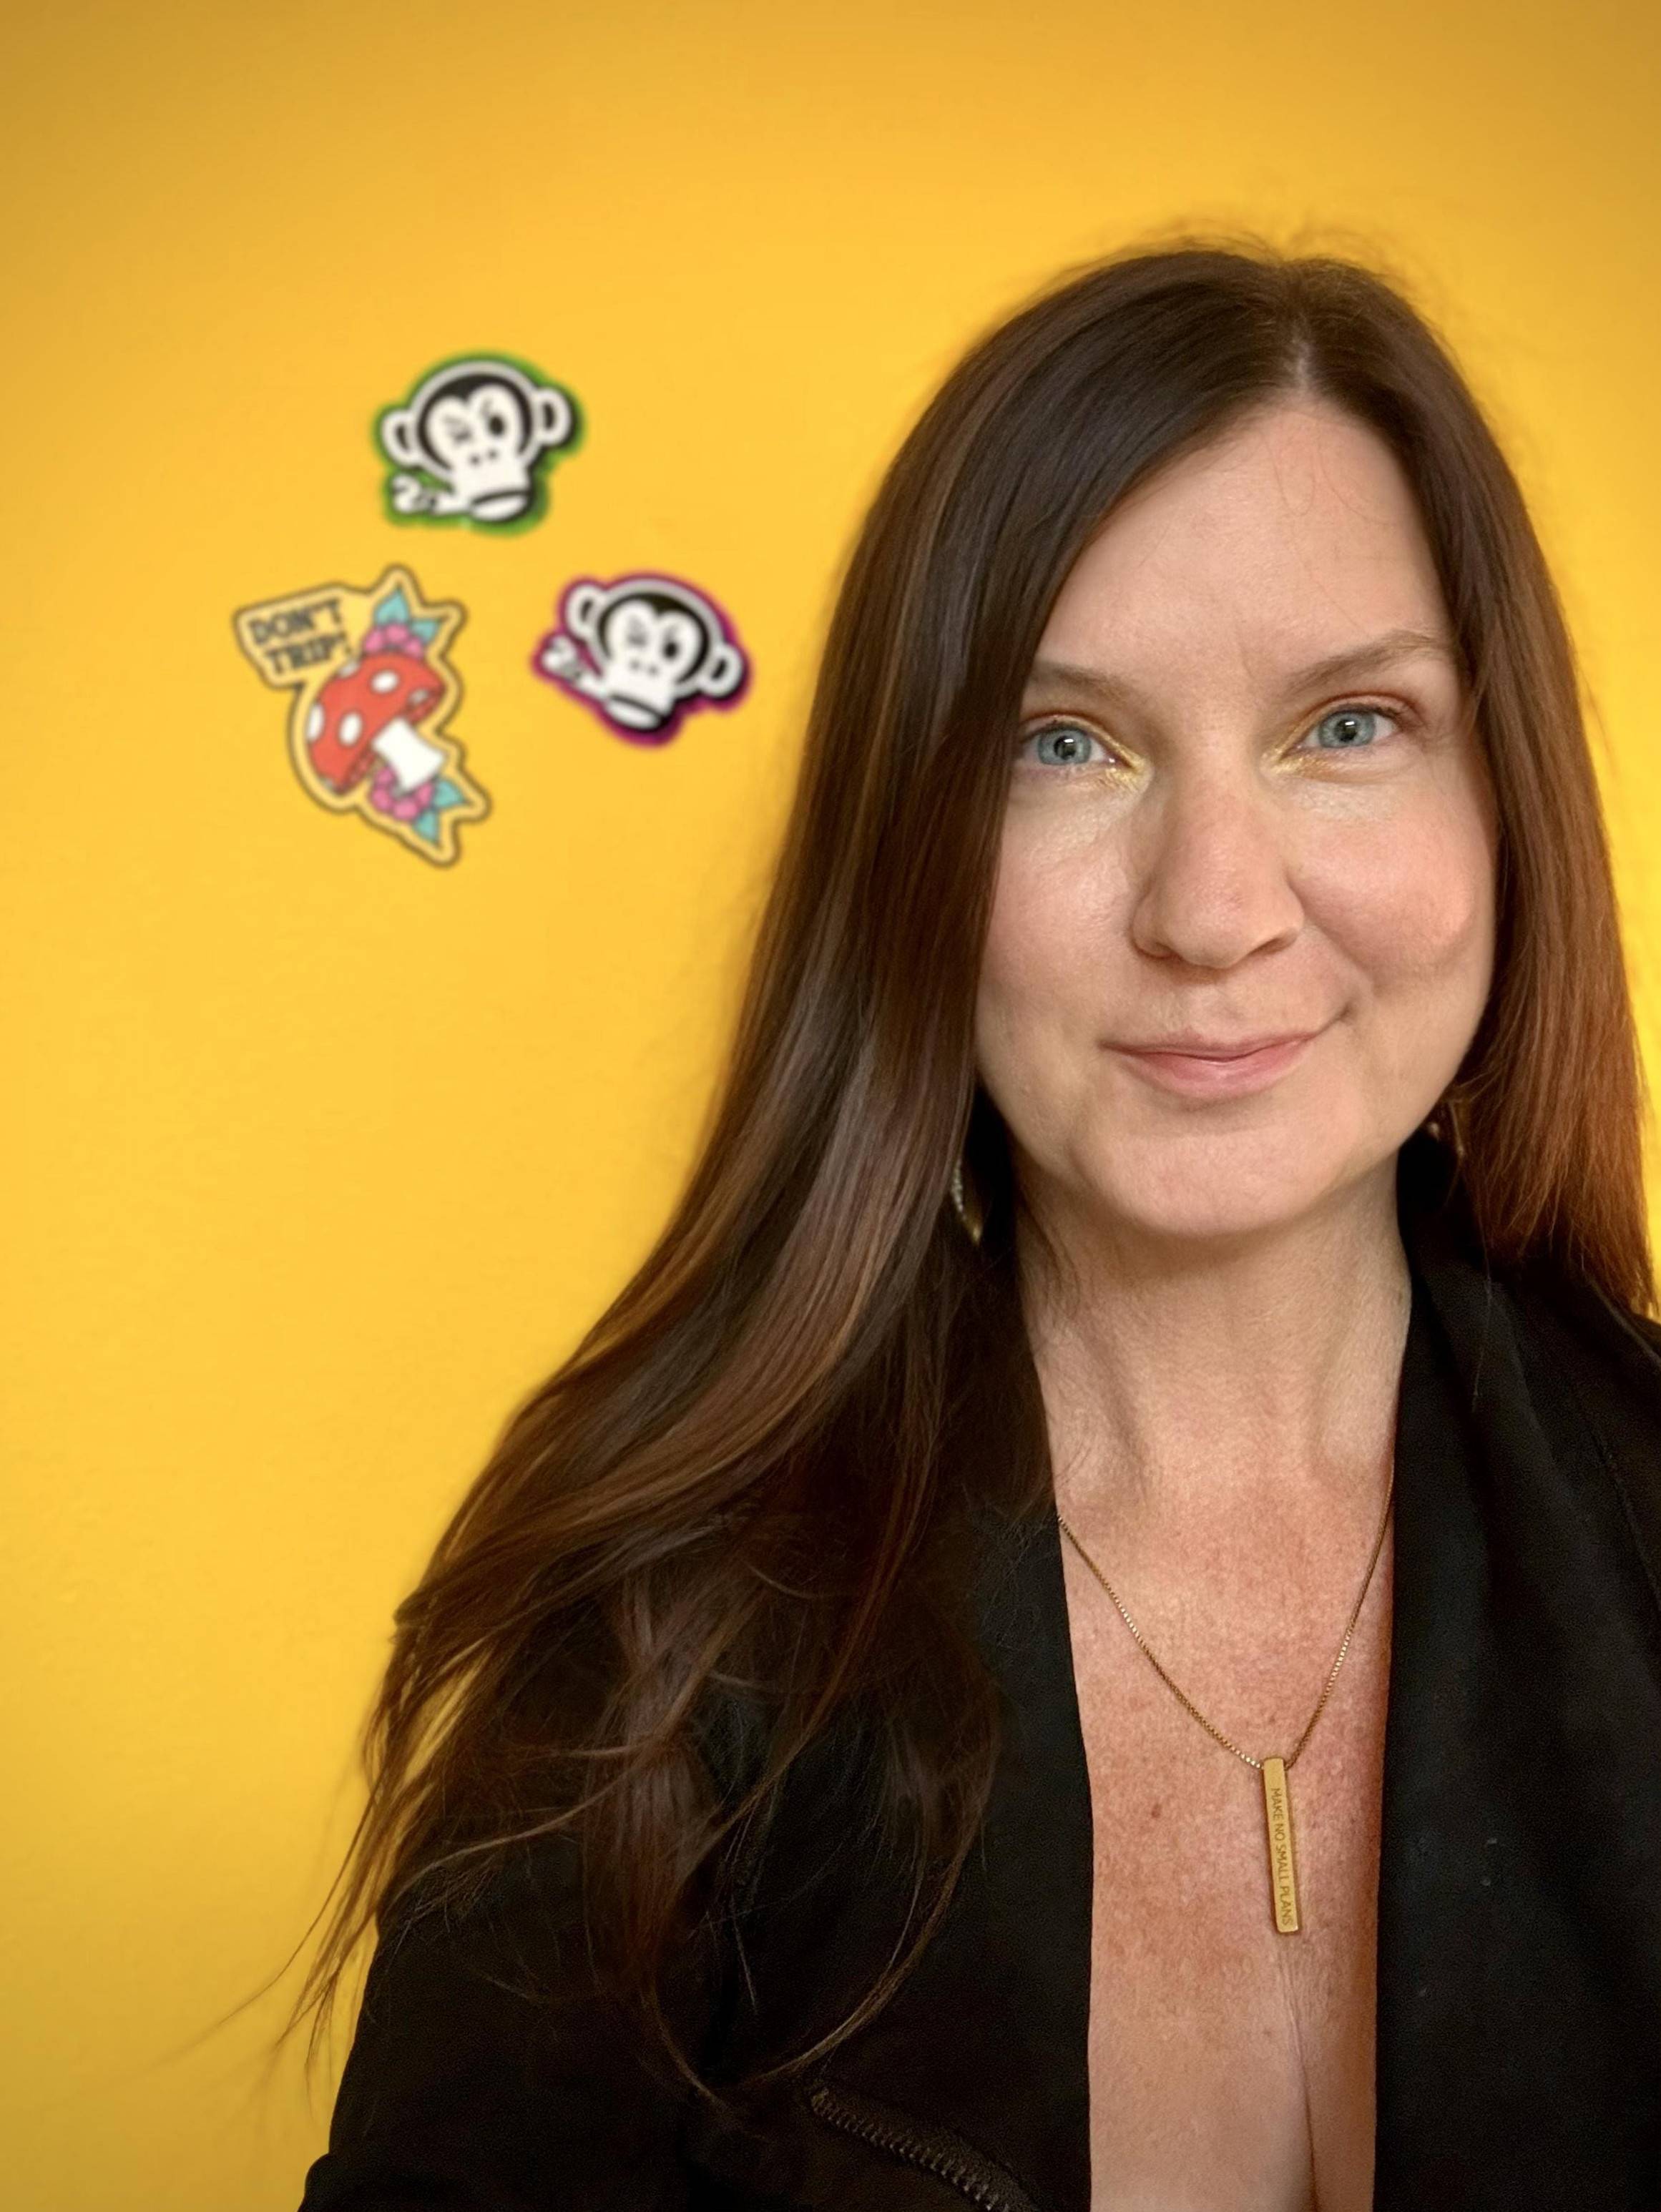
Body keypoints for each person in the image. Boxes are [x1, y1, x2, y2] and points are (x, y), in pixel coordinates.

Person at [292, 239, 1661, 2211]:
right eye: (1060, 744)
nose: (1213, 909)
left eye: (1348, 725)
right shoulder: (653, 1643)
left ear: (1503, 798)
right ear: (907, 849)